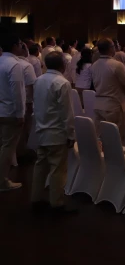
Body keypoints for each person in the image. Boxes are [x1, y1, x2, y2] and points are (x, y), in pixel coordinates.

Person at [31, 52, 76, 213]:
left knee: (40, 167)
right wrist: (71, 134)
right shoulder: (62, 83)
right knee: (58, 170)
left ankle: (36, 199)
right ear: (62, 65)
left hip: (41, 129)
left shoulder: (39, 80)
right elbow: (67, 113)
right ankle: (57, 204)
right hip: (56, 132)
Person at [91, 38, 125, 141]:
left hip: (98, 104)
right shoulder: (116, 65)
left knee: (101, 139)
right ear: (110, 48)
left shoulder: (94, 65)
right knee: (116, 139)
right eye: (114, 46)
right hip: (113, 105)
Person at [0, 32, 26, 191]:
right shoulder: (15, 65)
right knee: (8, 148)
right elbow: (17, 92)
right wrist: (20, 114)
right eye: (20, 44)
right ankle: (2, 181)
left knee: (3, 146)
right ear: (15, 46)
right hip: (10, 112)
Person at [15, 42, 37, 160]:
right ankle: (21, 152)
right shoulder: (26, 65)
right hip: (24, 102)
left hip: (6, 103)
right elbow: (31, 86)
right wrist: (31, 103)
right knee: (24, 129)